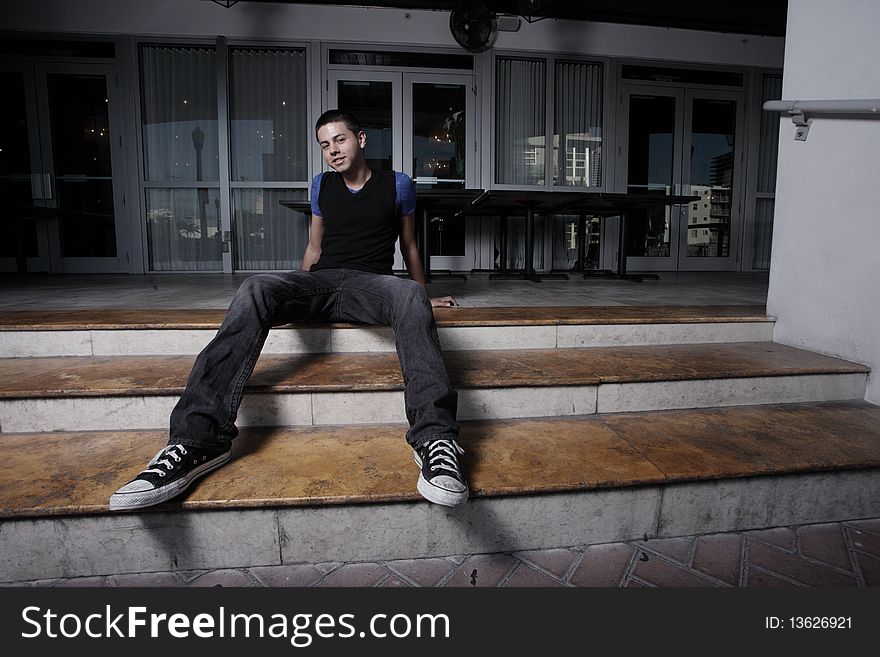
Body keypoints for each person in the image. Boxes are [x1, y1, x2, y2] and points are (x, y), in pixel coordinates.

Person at [110, 109, 468, 511]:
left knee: (408, 297)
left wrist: (422, 294)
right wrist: (297, 290)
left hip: (373, 285)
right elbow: (315, 248)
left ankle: (435, 439)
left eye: (340, 140)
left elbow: (410, 247)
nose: (333, 150)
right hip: (324, 279)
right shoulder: (321, 186)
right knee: (256, 287)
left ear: (361, 139)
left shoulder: (398, 185)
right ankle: (197, 440)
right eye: (324, 144)